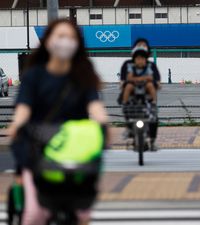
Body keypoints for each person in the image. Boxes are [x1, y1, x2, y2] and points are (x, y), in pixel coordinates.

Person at [7, 19, 109, 225]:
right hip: (38, 146)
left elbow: (94, 106)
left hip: (75, 149)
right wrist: (17, 124)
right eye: (60, 36)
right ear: (48, 41)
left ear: (78, 44)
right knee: (34, 215)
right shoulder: (34, 75)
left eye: (71, 38)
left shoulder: (83, 73)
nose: (65, 42)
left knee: (82, 215)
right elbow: (24, 108)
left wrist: (103, 121)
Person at [119, 38, 161, 150]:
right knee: (128, 110)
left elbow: (155, 81)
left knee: (153, 117)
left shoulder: (150, 65)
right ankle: (129, 130)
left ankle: (152, 140)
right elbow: (124, 80)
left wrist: (152, 83)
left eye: (144, 46)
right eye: (139, 46)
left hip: (146, 95)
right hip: (132, 94)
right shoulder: (128, 65)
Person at [120, 38, 161, 104]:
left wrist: (141, 79)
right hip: (134, 84)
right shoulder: (131, 66)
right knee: (128, 86)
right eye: (138, 59)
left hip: (145, 84)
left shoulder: (148, 67)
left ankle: (154, 101)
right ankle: (125, 102)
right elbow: (129, 77)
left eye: (142, 59)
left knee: (150, 85)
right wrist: (140, 78)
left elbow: (151, 77)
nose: (140, 61)